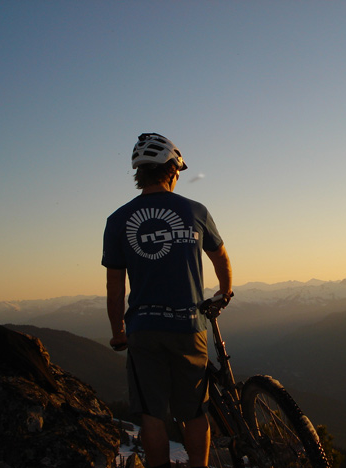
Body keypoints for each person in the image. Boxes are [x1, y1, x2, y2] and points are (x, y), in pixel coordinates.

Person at [102, 133, 232, 468]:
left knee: (152, 415)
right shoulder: (195, 210)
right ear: (171, 169)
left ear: (139, 173)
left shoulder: (118, 220)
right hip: (189, 326)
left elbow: (114, 286)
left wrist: (118, 331)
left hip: (144, 329)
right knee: (194, 412)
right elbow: (220, 258)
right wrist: (224, 290)